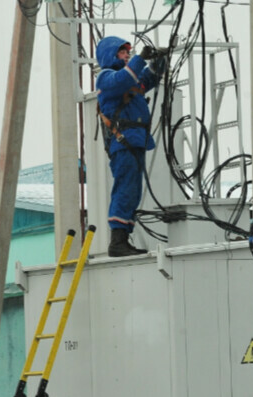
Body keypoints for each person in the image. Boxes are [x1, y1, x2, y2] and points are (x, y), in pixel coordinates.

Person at [96, 35, 165, 257]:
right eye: (123, 52)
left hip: (134, 141)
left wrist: (159, 61)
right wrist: (140, 59)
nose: (127, 55)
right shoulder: (106, 78)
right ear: (111, 55)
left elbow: (147, 80)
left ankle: (123, 239)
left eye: (128, 52)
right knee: (125, 189)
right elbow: (122, 81)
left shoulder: (130, 79)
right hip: (123, 141)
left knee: (133, 191)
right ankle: (117, 242)